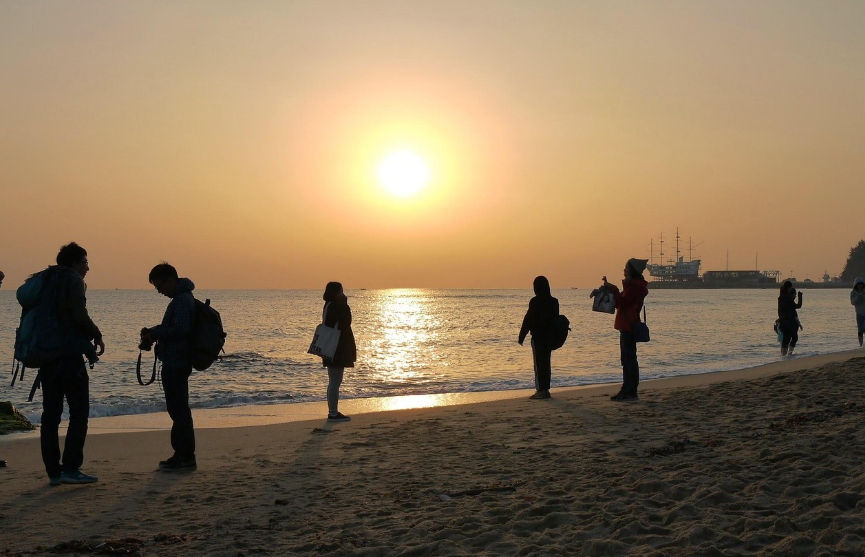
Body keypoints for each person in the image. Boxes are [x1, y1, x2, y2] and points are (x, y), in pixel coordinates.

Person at [39, 243, 105, 485]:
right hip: (68, 356)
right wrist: (96, 334)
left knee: (50, 415)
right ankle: (71, 468)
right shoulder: (73, 280)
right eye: (85, 262)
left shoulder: (46, 280)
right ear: (74, 263)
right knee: (79, 413)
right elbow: (79, 314)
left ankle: (53, 472)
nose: (88, 267)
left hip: (46, 356)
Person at [140, 263, 198, 470]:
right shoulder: (181, 299)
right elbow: (174, 328)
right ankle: (182, 455)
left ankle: (185, 456)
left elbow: (180, 330)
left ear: (170, 279)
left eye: (159, 286)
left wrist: (155, 334)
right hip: (176, 361)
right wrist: (154, 330)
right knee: (178, 409)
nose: (159, 291)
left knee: (179, 410)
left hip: (177, 361)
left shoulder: (182, 300)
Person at [604, 259, 649, 402]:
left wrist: (615, 290)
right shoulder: (633, 286)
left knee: (629, 359)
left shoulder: (635, 287)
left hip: (628, 326)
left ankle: (630, 391)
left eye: (626, 268)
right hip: (626, 325)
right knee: (627, 359)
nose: (624, 270)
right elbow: (621, 303)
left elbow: (623, 303)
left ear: (632, 270)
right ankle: (627, 389)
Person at [319, 282, 356, 422]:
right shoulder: (336, 306)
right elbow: (346, 322)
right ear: (337, 293)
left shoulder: (328, 305)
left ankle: (333, 411)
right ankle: (333, 413)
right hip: (336, 348)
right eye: (341, 291)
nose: (343, 294)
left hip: (331, 347)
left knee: (333, 381)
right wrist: (345, 305)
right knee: (335, 381)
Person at [518, 276, 559, 400]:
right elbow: (555, 319)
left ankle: (541, 390)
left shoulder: (535, 301)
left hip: (538, 337)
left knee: (538, 363)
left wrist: (522, 335)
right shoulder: (554, 301)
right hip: (549, 337)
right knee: (546, 363)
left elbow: (528, 318)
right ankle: (546, 389)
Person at [777, 280, 803, 356]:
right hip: (790, 321)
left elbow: (780, 310)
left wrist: (780, 319)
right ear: (789, 288)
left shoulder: (780, 297)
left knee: (786, 340)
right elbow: (798, 306)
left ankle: (783, 356)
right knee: (794, 338)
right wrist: (800, 296)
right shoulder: (788, 297)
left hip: (783, 321)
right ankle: (789, 353)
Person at [850, 278, 865, 347]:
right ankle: (861, 345)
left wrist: (862, 297)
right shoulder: (853, 293)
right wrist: (857, 297)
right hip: (859, 314)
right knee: (860, 330)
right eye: (858, 285)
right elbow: (852, 302)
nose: (860, 286)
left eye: (861, 285)